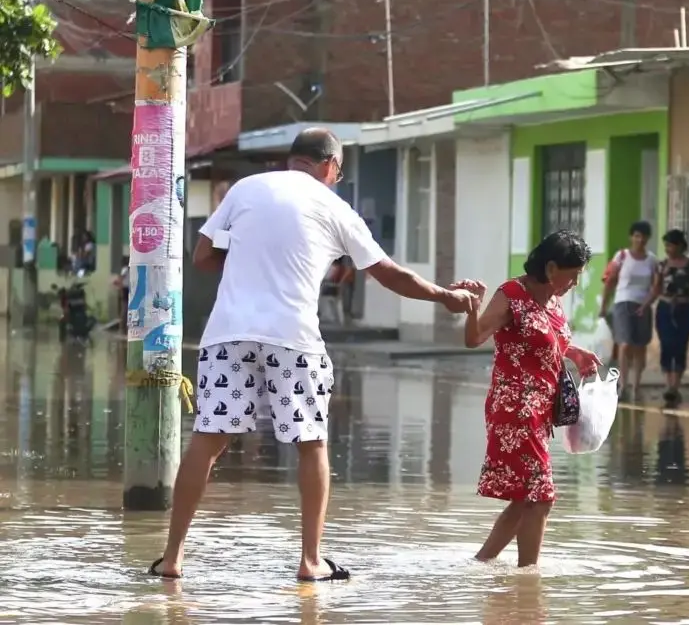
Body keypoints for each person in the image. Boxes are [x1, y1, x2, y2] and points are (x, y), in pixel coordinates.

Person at [148, 127, 477, 582]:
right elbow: (389, 274)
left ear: (294, 158)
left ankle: (172, 559)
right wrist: (446, 296)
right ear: (329, 166)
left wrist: (250, 260)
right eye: (337, 173)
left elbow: (202, 255)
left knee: (206, 441)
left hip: (227, 335)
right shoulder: (334, 207)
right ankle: (309, 561)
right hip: (293, 340)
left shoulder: (246, 188)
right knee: (311, 444)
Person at [462, 229, 602, 567]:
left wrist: (576, 353)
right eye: (573, 274)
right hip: (514, 408)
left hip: (541, 411)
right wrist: (472, 308)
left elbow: (544, 341)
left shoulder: (552, 298)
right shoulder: (512, 294)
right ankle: (529, 577)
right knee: (540, 497)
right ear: (552, 267)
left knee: (526, 497)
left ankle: (482, 563)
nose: (575, 282)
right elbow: (476, 337)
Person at [646, 229, 689, 406]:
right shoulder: (662, 265)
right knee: (667, 345)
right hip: (665, 308)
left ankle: (675, 386)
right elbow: (656, 288)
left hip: (685, 308)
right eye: (666, 245)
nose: (668, 249)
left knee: (680, 346)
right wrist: (645, 304)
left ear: (680, 245)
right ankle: (668, 385)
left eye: (670, 245)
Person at [601, 221, 656, 398]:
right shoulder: (622, 256)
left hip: (643, 305)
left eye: (644, 237)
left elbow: (657, 284)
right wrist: (604, 305)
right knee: (625, 344)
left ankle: (636, 385)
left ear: (648, 239)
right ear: (631, 237)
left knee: (640, 346)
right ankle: (623, 385)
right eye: (637, 236)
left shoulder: (652, 260)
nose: (640, 240)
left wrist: (647, 303)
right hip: (623, 303)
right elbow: (610, 281)